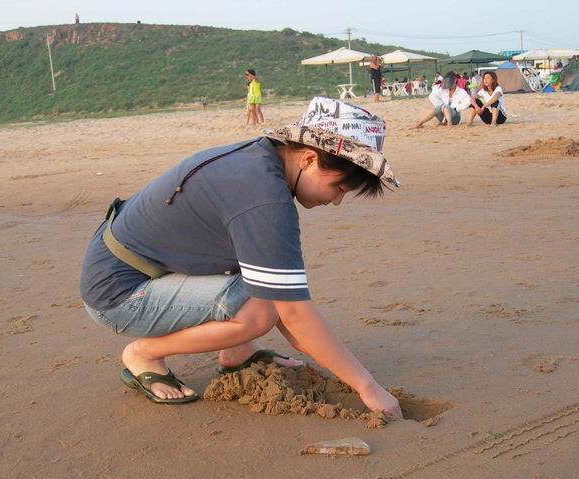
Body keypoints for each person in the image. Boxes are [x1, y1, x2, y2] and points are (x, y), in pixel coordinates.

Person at [79, 96, 404, 419]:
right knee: (260, 311)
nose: (336, 202)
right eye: (339, 188)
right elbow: (294, 315)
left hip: (127, 263)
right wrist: (367, 387)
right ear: (308, 159)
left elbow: (281, 295)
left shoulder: (259, 157)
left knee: (268, 280)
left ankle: (236, 350)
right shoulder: (264, 199)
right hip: (118, 293)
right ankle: (144, 354)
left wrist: (297, 336)